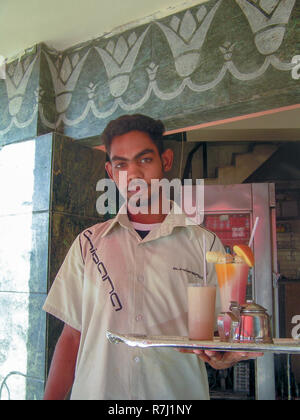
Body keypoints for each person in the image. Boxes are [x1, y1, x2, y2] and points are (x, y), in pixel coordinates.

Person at [43, 114, 262, 400]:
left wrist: (224, 353)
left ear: (166, 161)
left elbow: (222, 329)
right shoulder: (88, 244)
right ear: (111, 172)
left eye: (144, 160)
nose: (133, 173)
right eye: (121, 164)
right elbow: (72, 336)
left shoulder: (205, 245)